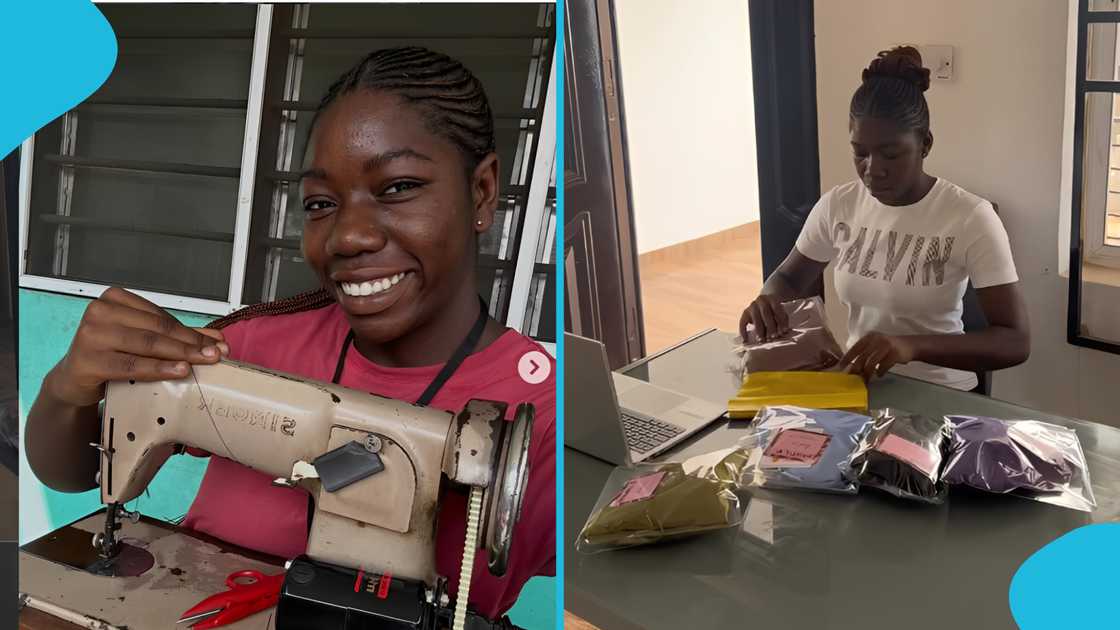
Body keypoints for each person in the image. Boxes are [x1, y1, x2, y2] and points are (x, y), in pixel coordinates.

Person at [25, 46, 555, 621]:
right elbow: (71, 472)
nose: (347, 236)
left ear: (481, 192)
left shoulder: (547, 413)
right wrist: (67, 388)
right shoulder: (250, 346)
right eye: (321, 203)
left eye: (398, 187)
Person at [739, 46, 1029, 391]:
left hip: (940, 394)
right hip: (857, 387)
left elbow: (1015, 341)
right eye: (860, 153)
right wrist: (768, 299)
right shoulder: (839, 205)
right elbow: (789, 276)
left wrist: (909, 346)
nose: (872, 170)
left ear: (925, 145)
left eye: (890, 154)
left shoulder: (969, 217)